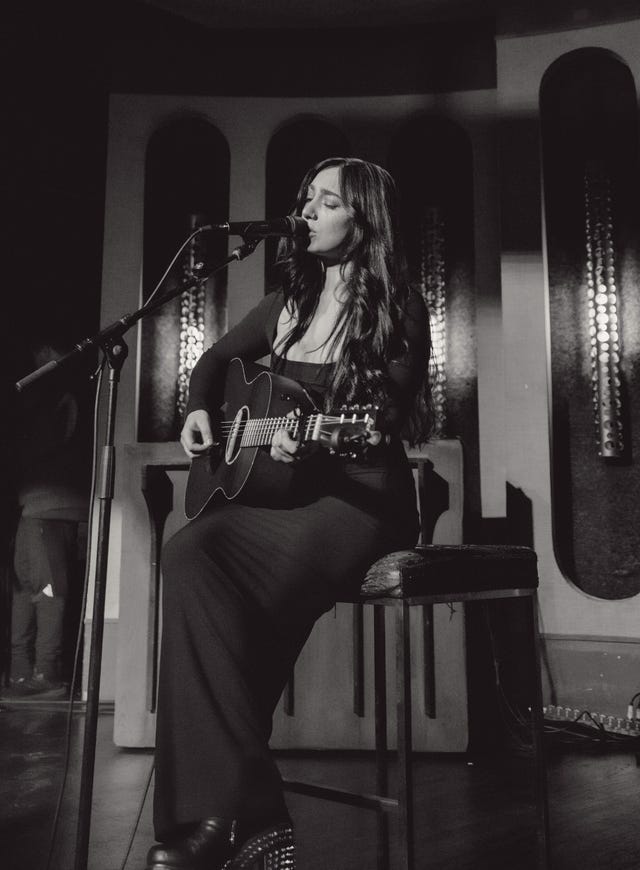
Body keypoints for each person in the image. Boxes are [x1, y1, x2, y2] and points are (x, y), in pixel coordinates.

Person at [146, 157, 432, 870]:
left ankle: (227, 820)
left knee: (231, 614)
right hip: (281, 500)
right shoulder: (286, 306)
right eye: (306, 198)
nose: (305, 211)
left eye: (325, 201)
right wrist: (199, 412)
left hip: (357, 503)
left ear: (364, 219)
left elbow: (380, 425)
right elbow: (212, 362)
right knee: (189, 551)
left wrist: (317, 441)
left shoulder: (399, 307)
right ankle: (242, 815)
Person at [3, 340, 90, 698]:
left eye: (46, 355)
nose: (39, 361)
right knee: (25, 589)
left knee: (47, 589)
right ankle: (22, 673)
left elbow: (49, 442)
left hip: (54, 507)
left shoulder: (63, 398)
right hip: (34, 507)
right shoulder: (43, 400)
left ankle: (46, 672)